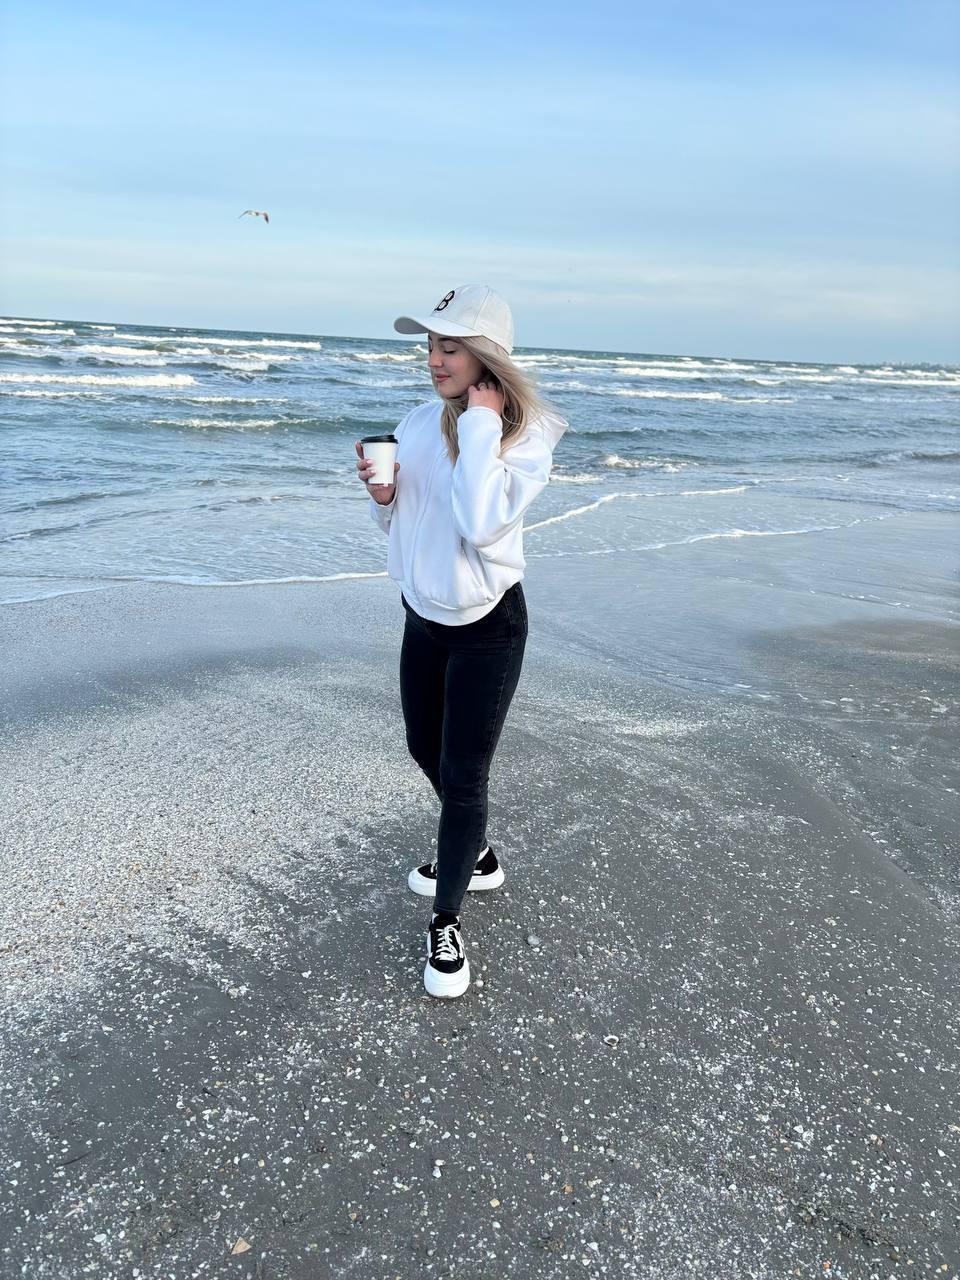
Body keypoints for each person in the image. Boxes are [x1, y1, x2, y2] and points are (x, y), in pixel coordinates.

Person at [355, 284, 567, 998]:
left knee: (464, 775)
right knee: (424, 746)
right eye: (430, 346)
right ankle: (473, 849)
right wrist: (385, 499)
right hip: (422, 614)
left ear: (485, 358)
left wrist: (480, 423)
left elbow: (481, 524)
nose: (433, 360)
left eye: (449, 347)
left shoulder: (524, 438)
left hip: (487, 629)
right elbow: (407, 522)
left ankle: (446, 920)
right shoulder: (417, 423)